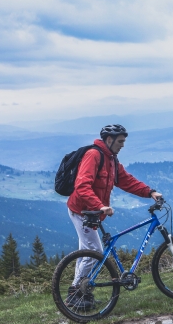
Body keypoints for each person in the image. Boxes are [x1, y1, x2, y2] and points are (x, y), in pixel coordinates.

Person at [66, 124, 162, 309]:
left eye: (124, 141)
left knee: (87, 253)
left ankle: (80, 293)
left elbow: (126, 180)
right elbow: (82, 185)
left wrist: (150, 192)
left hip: (92, 211)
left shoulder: (111, 160)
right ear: (109, 140)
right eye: (120, 141)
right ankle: (75, 293)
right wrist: (100, 205)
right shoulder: (94, 155)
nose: (123, 145)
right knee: (94, 252)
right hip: (82, 211)